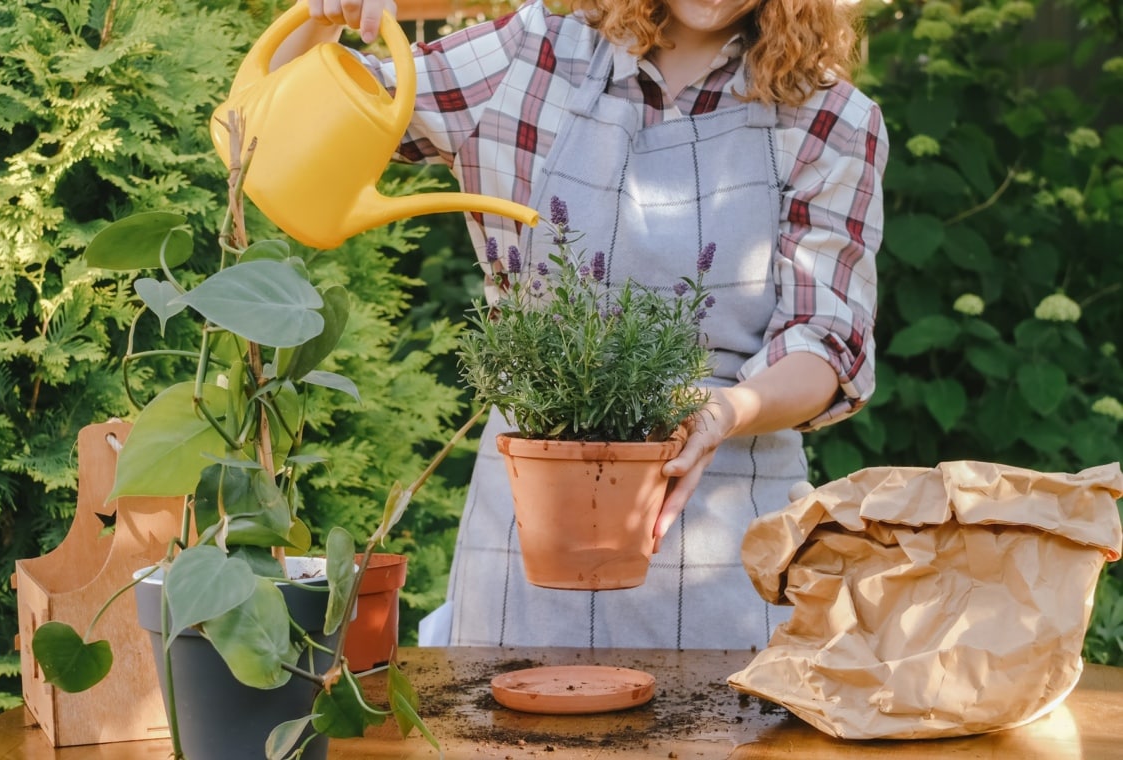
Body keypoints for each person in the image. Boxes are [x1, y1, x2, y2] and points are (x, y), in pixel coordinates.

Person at [273, 0, 888, 649]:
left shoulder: (832, 120)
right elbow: (279, 130)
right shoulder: (534, 52)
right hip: (530, 533)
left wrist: (723, 412)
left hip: (730, 555)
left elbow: (824, 343)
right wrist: (323, 14)